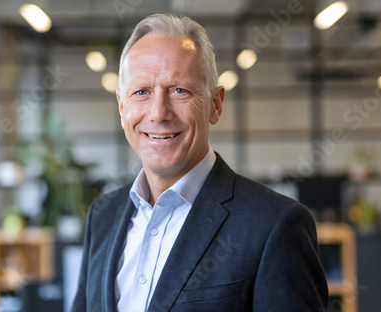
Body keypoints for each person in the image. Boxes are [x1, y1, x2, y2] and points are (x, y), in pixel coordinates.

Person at [72, 13, 329, 312]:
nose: (158, 113)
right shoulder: (103, 216)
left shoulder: (274, 225)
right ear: (121, 106)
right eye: (141, 92)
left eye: (179, 90)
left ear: (215, 104)